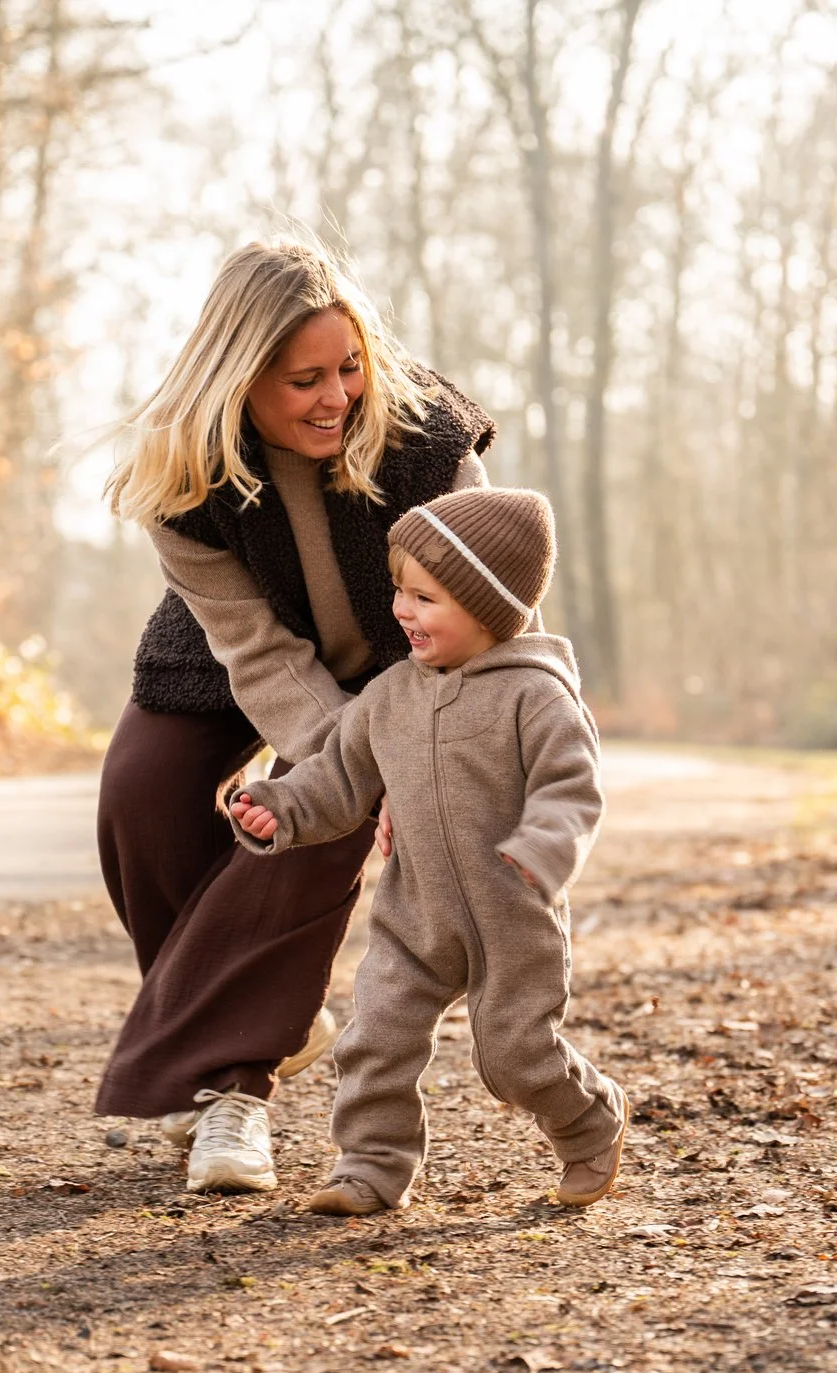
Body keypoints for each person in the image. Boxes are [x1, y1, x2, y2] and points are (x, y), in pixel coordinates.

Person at [96, 240, 495, 1194]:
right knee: (140, 798)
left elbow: (485, 612)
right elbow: (256, 651)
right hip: (230, 651)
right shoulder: (185, 472)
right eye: (303, 379)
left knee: (314, 807)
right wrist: (342, 750)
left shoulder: (429, 441)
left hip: (413, 658)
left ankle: (232, 1093)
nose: (336, 397)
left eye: (349, 367)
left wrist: (401, 759)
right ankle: (252, 1023)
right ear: (238, 380)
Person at [225, 486, 625, 1216]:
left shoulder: (536, 697)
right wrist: (276, 809)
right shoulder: (390, 696)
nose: (402, 609)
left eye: (425, 596)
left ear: (490, 607)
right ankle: (372, 1169)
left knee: (516, 1059)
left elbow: (573, 788)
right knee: (375, 1037)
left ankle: (589, 1120)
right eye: (400, 591)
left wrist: (543, 847)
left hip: (513, 917)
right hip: (415, 914)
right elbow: (337, 778)